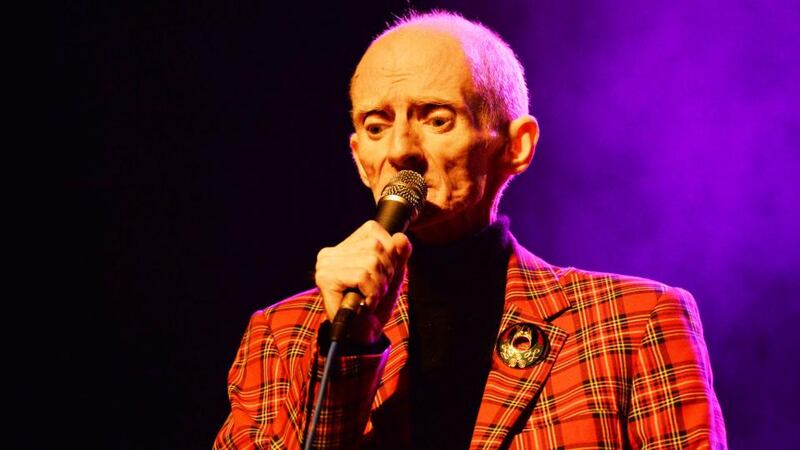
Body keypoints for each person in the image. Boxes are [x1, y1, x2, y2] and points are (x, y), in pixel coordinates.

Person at [214, 10, 726, 449]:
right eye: (376, 126)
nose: (399, 151)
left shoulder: (635, 323)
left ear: (516, 145)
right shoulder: (282, 338)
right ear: (359, 159)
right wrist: (351, 346)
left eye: (436, 119)